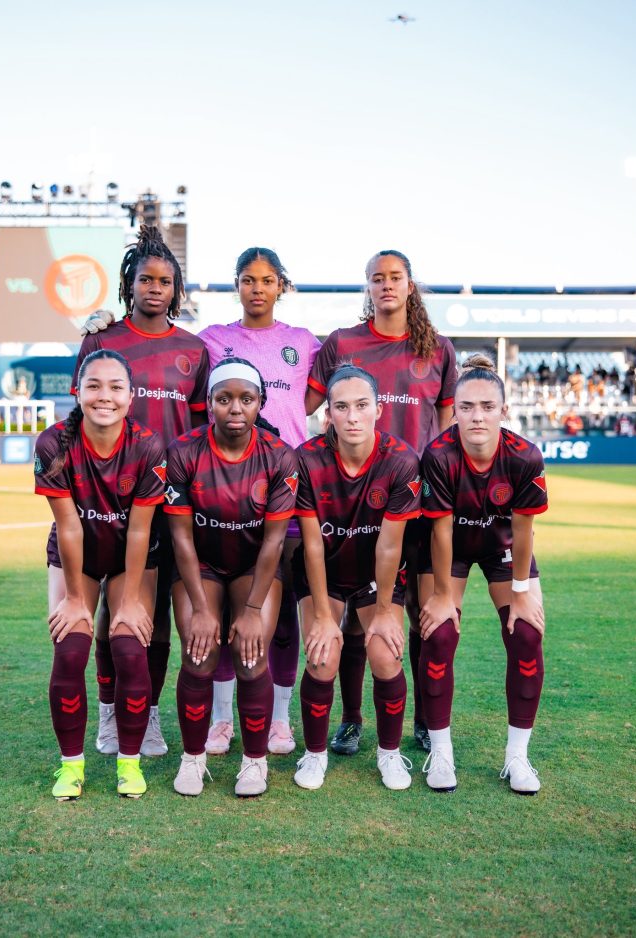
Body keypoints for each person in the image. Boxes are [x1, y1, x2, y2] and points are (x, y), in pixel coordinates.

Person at [305, 250, 456, 755]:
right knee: (350, 615)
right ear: (366, 287)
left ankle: (421, 721)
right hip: (354, 507)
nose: (386, 285)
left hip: (419, 502)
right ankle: (350, 719)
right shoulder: (343, 343)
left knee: (420, 613)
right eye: (377, 278)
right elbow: (293, 405)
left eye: (395, 278)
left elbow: (449, 429)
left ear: (411, 286)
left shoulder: (438, 350)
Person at [72, 225, 209, 759]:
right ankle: (110, 714)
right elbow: (79, 416)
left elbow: (199, 432)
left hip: (173, 504)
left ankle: (147, 716)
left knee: (151, 618)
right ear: (129, 283)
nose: (156, 288)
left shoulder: (193, 350)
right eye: (146, 279)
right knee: (110, 609)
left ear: (177, 289)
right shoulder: (100, 341)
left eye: (166, 281)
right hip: (106, 501)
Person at [198, 247, 320, 757]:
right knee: (230, 610)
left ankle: (280, 720)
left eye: (267, 280)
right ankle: (223, 720)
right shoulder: (212, 340)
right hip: (227, 494)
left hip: (285, 489)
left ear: (281, 286)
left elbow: (309, 400)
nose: (257, 289)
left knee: (285, 613)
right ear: (237, 285)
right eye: (248, 280)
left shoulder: (304, 343)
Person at [34, 349, 166, 800]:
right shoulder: (53, 443)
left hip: (133, 553)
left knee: (130, 646)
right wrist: (75, 598)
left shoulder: (148, 445)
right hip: (79, 558)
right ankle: (71, 767)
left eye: (115, 387)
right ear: (77, 391)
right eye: (93, 386)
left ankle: (128, 764)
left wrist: (129, 598)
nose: (104, 396)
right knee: (70, 648)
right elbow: (69, 526)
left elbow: (140, 529)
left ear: (131, 396)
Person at [164, 358, 298, 797]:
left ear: (261, 403)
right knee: (198, 654)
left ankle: (254, 763)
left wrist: (253, 609)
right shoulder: (184, 451)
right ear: (209, 403)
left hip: (253, 564)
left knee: (250, 654)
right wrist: (203, 610)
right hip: (200, 563)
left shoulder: (279, 456)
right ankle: (192, 759)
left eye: (246, 398)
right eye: (224, 399)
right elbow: (181, 538)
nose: (235, 408)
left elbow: (275, 542)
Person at [418, 354, 548, 794]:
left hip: (502, 549)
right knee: (438, 633)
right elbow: (438, 531)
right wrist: (439, 595)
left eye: (487, 407)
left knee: (527, 633)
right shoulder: (437, 454)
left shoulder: (525, 456)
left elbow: (525, 529)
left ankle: (517, 758)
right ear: (454, 409)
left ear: (504, 411)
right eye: (468, 406)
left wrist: (522, 590)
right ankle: (441, 754)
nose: (477, 416)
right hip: (448, 548)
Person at [294, 365, 421, 790]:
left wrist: (385, 611)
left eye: (361, 406)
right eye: (342, 407)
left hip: (374, 575)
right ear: (327, 413)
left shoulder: (401, 461)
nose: (352, 416)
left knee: (385, 653)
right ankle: (313, 756)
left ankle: (389, 754)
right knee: (323, 653)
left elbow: (389, 546)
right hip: (322, 573)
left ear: (378, 410)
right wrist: (323, 617)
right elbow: (312, 544)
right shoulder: (307, 459)